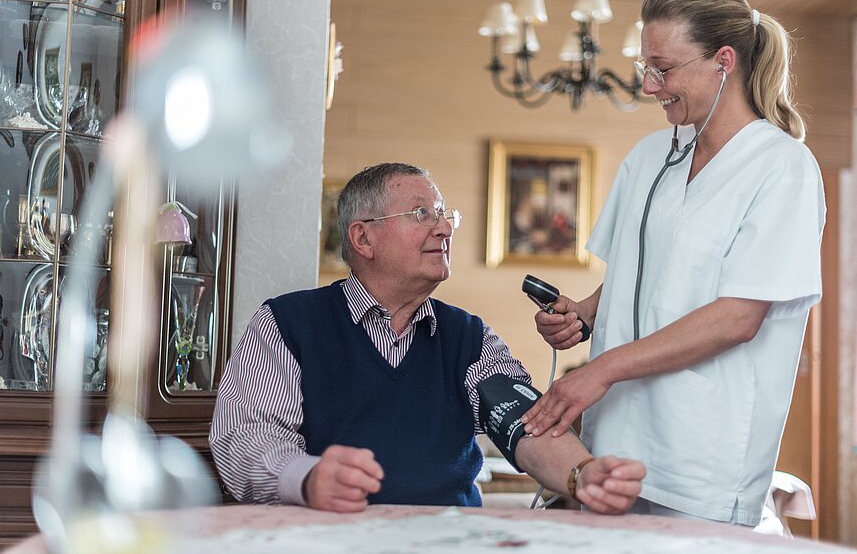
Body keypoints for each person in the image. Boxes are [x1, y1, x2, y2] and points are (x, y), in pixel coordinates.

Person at [520, 0, 826, 527]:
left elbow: (738, 317)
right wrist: (585, 314)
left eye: (662, 68)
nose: (647, 86)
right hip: (615, 447)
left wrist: (604, 369)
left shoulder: (782, 167)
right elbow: (646, 275)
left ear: (723, 62)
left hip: (704, 457)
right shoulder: (648, 156)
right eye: (644, 67)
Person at [210, 162, 645, 513]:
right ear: (363, 237)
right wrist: (307, 478)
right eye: (422, 215)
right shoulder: (287, 324)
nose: (444, 228)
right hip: (328, 539)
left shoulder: (470, 338)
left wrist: (582, 474)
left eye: (444, 215)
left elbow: (526, 425)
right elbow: (244, 438)